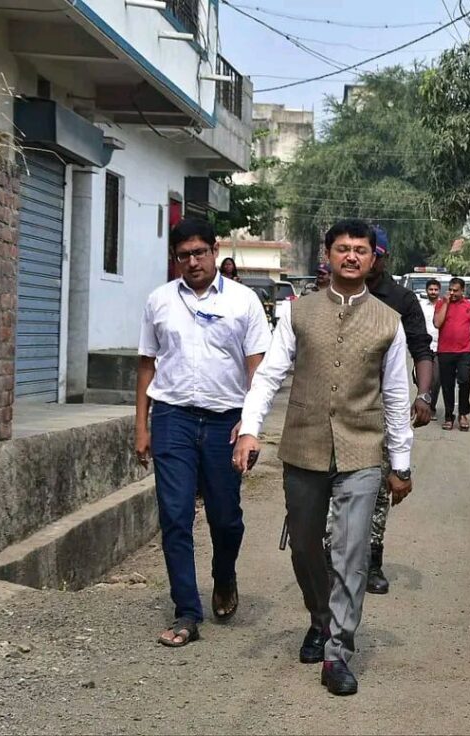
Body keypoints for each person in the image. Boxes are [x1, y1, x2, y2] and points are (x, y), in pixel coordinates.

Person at [233, 218, 413, 696]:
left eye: (361, 250)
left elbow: (397, 395)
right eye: (343, 249)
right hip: (304, 446)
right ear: (327, 256)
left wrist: (400, 462)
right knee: (304, 545)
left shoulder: (388, 321)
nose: (351, 256)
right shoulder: (297, 313)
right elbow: (269, 375)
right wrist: (249, 430)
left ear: (373, 259)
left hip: (362, 449)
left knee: (351, 552)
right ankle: (319, 616)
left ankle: (338, 652)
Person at [135, 218, 271, 647]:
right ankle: (187, 612)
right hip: (172, 417)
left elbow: (258, 369)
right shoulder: (159, 301)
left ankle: (224, 574)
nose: (192, 262)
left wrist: (251, 425)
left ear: (215, 251)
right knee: (174, 515)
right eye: (183, 256)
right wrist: (141, 426)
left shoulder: (244, 302)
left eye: (199, 252)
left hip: (224, 422)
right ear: (174, 259)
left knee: (225, 518)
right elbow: (146, 364)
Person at [352, 226, 435, 596]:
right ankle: (331, 555)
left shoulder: (401, 300)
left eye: (375, 254)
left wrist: (424, 395)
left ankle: (372, 561)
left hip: (383, 407)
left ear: (382, 257)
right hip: (339, 407)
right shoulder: (334, 294)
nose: (367, 261)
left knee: (378, 485)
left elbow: (421, 349)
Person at [434, 277, 470, 431]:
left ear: (462, 290)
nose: (452, 293)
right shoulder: (441, 304)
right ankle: (449, 416)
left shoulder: (469, 306)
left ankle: (463, 414)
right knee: (447, 385)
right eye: (450, 290)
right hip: (445, 351)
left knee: (465, 381)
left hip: (465, 351)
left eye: (456, 290)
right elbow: (437, 323)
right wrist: (446, 303)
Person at [418, 278, 442, 415]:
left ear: (439, 291)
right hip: (424, 347)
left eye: (435, 289)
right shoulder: (421, 306)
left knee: (436, 380)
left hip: (440, 347)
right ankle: (423, 404)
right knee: (422, 379)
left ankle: (431, 406)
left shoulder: (444, 306)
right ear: (426, 291)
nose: (433, 292)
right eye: (431, 289)